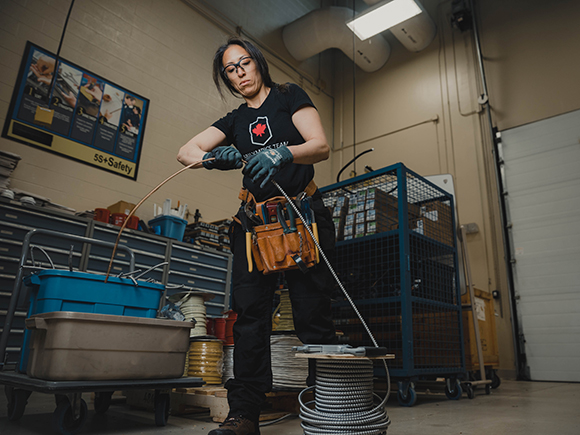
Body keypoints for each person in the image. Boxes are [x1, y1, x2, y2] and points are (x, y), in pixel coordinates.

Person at [177, 37, 337, 435]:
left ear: (258, 63)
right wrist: (214, 158)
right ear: (227, 79)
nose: (240, 72)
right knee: (249, 319)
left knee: (312, 314)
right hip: (255, 226)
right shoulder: (233, 121)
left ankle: (326, 402)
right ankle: (244, 413)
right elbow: (186, 151)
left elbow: (320, 145)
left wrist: (283, 153)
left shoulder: (287, 96)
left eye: (244, 62)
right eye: (231, 69)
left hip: (302, 218)